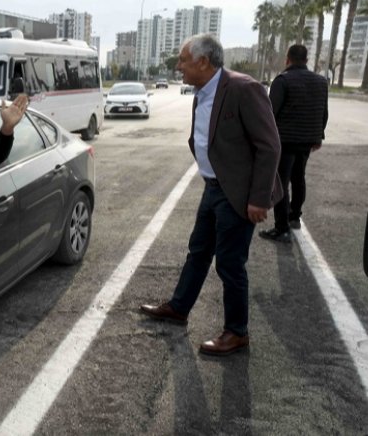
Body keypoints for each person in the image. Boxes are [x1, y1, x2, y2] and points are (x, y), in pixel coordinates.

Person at [140, 34, 283, 356]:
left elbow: (269, 145)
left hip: (238, 193)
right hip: (212, 186)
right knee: (199, 251)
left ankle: (237, 332)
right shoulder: (201, 92)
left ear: (203, 62)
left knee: (230, 264)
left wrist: (259, 198)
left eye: (183, 60)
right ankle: (179, 307)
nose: (179, 67)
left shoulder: (244, 88)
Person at [259, 44, 329, 243]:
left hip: (285, 141)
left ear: (287, 59)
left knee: (281, 182)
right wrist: (318, 137)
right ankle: (295, 216)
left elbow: (270, 113)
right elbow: (323, 112)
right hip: (307, 140)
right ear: (306, 60)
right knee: (299, 178)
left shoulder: (283, 80)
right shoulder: (321, 81)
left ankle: (281, 228)